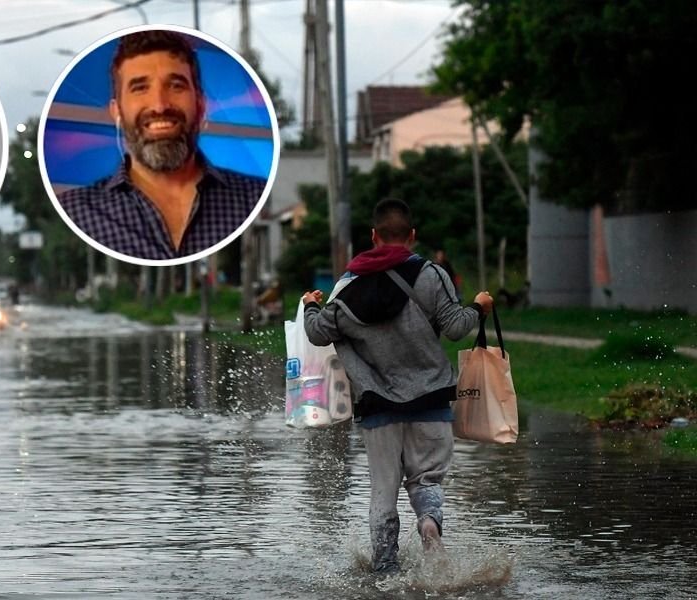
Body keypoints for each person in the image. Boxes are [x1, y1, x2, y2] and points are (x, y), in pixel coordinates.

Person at [301, 198, 493, 576]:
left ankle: (385, 572)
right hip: (432, 398)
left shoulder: (346, 287)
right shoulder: (432, 275)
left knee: (383, 493)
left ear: (373, 236)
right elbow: (456, 328)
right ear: (412, 236)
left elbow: (317, 333)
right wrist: (479, 307)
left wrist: (310, 305)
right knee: (427, 479)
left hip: (377, 406)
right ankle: (428, 525)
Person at [57, 30, 267, 261]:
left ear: (200, 104)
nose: (159, 105)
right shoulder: (79, 211)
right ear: (116, 111)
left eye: (176, 86)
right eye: (140, 88)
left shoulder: (252, 198)